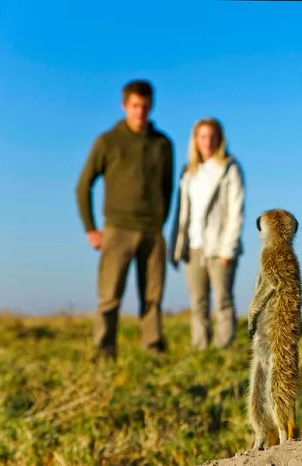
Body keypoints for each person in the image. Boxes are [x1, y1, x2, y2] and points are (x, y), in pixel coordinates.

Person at [76, 80, 174, 360]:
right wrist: (90, 228)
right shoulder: (107, 141)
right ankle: (103, 353)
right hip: (117, 229)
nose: (140, 111)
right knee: (109, 297)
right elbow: (83, 185)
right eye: (134, 106)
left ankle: (153, 352)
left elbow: (168, 189)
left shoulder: (163, 144)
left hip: (153, 231)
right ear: (124, 106)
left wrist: (160, 221)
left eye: (144, 106)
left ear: (151, 106)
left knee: (152, 298)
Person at [169, 118, 245, 349]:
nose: (208, 141)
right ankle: (201, 349)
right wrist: (178, 246)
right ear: (195, 140)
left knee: (223, 300)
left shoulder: (229, 168)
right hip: (194, 246)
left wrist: (228, 247)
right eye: (202, 136)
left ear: (220, 139)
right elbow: (182, 212)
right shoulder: (188, 172)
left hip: (220, 246)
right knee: (198, 302)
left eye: (212, 136)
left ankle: (223, 348)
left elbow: (236, 209)